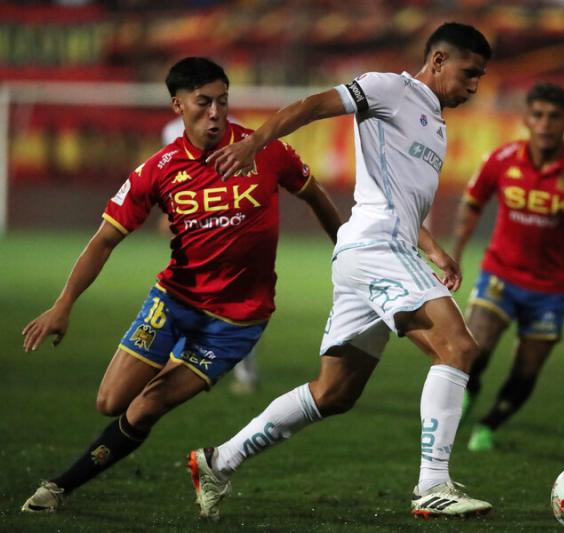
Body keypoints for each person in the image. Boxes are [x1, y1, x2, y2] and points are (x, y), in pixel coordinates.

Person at [187, 22, 493, 520]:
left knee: (334, 392)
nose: (475, 85)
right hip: (374, 250)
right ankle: (432, 486)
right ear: (438, 61)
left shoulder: (434, 123)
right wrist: (253, 144)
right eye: (470, 73)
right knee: (457, 347)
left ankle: (218, 461)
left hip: (375, 251)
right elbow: (308, 106)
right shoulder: (389, 88)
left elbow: (396, 200)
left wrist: (432, 249)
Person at [20, 57, 342, 513]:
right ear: (178, 105)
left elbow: (315, 195)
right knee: (111, 400)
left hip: (236, 322)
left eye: (223, 101)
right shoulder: (159, 168)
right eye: (204, 102)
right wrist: (63, 304)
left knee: (149, 406)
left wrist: (346, 252)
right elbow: (105, 239)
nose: (216, 112)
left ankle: (57, 488)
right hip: (175, 301)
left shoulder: (262, 150)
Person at [450, 82, 564, 452]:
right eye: (538, 115)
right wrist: (454, 252)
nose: (545, 124)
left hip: (552, 291)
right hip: (501, 275)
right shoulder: (501, 159)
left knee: (526, 370)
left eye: (554, 117)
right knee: (475, 348)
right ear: (526, 119)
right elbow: (472, 203)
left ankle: (488, 426)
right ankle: (469, 391)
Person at [161, 115, 261, 394]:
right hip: (195, 228)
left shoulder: (239, 131)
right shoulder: (171, 131)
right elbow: (173, 175)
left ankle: (243, 372)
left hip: (228, 224)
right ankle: (188, 361)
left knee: (232, 301)